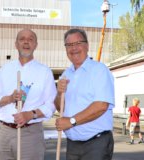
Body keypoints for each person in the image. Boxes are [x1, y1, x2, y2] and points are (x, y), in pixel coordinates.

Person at [0, 28, 57, 160]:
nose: (26, 42)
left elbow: (51, 104)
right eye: (22, 39)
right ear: (16, 44)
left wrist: (30, 114)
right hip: (4, 132)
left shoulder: (44, 72)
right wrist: (10, 98)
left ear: (35, 45)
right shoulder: (5, 69)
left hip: (30, 133)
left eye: (30, 39)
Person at [54, 28, 115, 160]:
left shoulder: (99, 70)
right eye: (69, 45)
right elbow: (60, 108)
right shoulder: (66, 74)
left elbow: (101, 105)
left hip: (96, 144)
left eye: (78, 43)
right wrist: (59, 94)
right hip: (72, 144)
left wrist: (71, 121)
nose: (74, 48)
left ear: (87, 46)